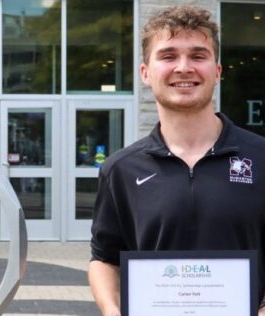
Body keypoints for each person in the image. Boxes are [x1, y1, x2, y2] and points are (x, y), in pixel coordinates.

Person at [88, 5, 265, 315]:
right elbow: (105, 258)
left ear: (217, 72)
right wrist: (113, 311)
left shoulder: (261, 158)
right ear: (145, 73)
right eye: (168, 56)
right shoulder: (121, 169)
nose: (184, 68)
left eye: (198, 56)